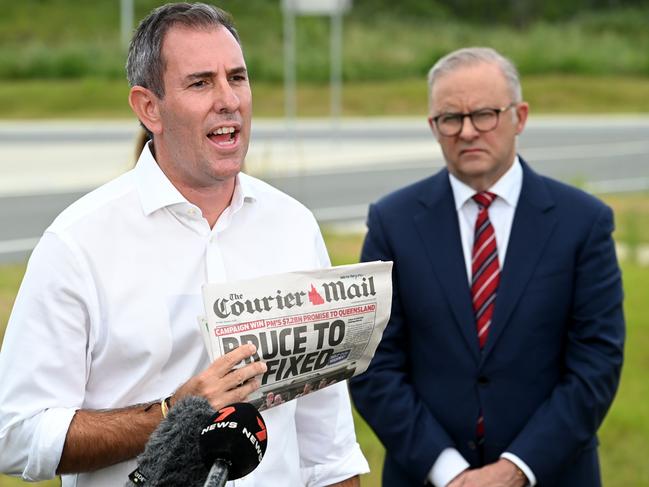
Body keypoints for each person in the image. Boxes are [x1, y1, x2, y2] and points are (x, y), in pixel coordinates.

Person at [0, 3, 368, 486]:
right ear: (148, 107)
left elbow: (328, 443)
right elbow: (16, 434)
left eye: (237, 78)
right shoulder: (78, 242)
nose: (228, 99)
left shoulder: (294, 225)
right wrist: (176, 412)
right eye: (200, 83)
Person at [349, 47, 624, 487]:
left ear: (521, 116)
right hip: (427, 476)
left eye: (485, 114)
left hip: (550, 474)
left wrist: (515, 469)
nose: (468, 131)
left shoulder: (583, 222)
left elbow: (597, 362)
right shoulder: (393, 222)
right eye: (450, 119)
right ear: (433, 128)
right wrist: (449, 472)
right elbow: (373, 365)